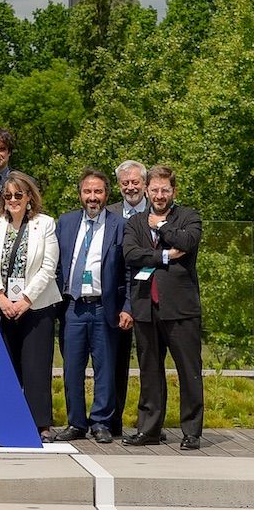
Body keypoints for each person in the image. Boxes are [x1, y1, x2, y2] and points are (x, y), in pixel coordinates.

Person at [121, 165, 203, 450]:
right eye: (154, 190)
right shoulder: (135, 222)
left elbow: (187, 241)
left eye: (164, 190)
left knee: (189, 372)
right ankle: (149, 429)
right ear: (146, 191)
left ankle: (191, 431)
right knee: (150, 371)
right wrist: (166, 256)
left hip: (180, 309)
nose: (159, 195)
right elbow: (130, 254)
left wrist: (162, 226)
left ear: (173, 191)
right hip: (146, 306)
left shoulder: (189, 217)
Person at [0, 170, 60, 442]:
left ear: (29, 197)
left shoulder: (45, 224)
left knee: (36, 366)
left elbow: (48, 267)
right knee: (2, 367)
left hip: (36, 306)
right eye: (8, 196)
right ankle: (3, 421)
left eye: (18, 195)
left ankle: (40, 424)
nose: (13, 200)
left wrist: (25, 300)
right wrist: (1, 297)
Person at [54, 168, 128, 444]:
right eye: (88, 191)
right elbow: (56, 264)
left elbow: (128, 271)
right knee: (72, 368)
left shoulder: (119, 225)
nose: (92, 197)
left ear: (106, 195)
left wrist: (127, 306)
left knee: (105, 368)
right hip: (72, 307)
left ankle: (101, 422)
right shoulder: (66, 222)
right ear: (80, 194)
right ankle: (76, 423)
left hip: (103, 307)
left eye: (98, 191)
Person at [105, 159, 147, 437]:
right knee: (116, 364)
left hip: (152, 298)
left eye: (135, 182)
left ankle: (149, 424)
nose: (130, 187)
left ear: (144, 183)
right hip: (117, 301)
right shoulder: (108, 213)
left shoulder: (158, 211)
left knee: (150, 364)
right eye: (125, 183)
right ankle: (113, 421)